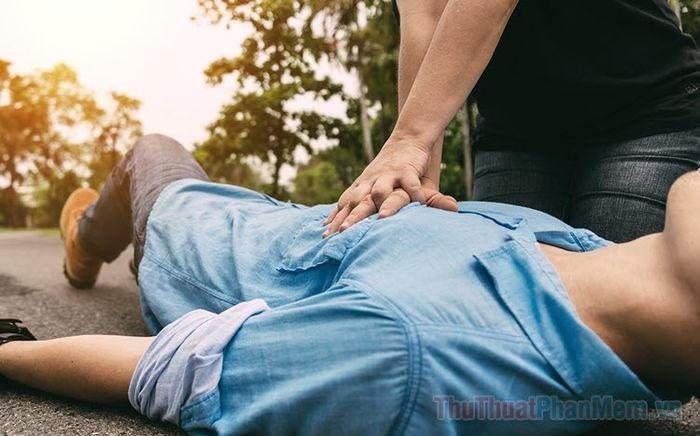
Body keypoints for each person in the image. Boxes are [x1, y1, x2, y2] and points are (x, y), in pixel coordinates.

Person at [0, 134, 697, 434]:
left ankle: (85, 242)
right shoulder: (583, 251)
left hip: (191, 240)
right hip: (281, 220)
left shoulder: (412, 352)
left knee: (151, 150)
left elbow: (172, 367)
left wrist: (10, 355)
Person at [324, 0, 700, 244]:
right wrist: (417, 179)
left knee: (609, 296)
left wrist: (410, 139)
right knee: (509, 293)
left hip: (644, 111)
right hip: (517, 132)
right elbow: (426, 14)